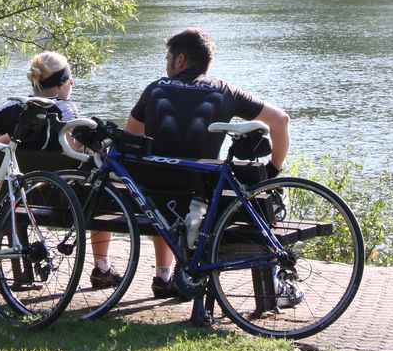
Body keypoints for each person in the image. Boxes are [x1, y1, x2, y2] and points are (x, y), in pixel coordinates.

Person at [125, 27, 292, 300]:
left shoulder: (155, 89)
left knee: (162, 200)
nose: (166, 63)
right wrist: (274, 170)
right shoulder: (225, 91)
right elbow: (281, 120)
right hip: (201, 197)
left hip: (154, 194)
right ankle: (273, 286)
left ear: (180, 60)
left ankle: (163, 274)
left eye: (168, 57)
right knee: (257, 200)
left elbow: (132, 137)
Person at [0, 52, 123, 291]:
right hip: (65, 201)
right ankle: (102, 267)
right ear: (62, 84)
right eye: (70, 79)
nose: (72, 83)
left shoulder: (13, 109)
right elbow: (76, 150)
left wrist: (10, 137)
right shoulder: (66, 111)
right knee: (101, 197)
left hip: (17, 199)